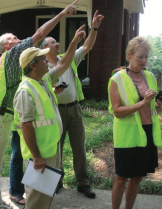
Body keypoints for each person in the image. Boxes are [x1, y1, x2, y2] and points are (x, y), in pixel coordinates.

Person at [0, 1, 79, 209]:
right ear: (7, 45)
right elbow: (40, 33)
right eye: (15, 39)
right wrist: (62, 14)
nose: (20, 40)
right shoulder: (13, 57)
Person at [14, 25, 86, 209]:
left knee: (46, 198)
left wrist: (74, 42)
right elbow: (26, 126)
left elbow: (64, 63)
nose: (47, 60)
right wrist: (37, 157)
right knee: (36, 202)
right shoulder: (25, 91)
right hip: (39, 157)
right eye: (42, 59)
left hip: (51, 151)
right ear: (32, 65)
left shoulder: (44, 80)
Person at [40, 10, 104, 197]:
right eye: (53, 42)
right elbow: (41, 89)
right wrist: (53, 92)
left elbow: (87, 46)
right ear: (45, 48)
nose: (57, 43)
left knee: (79, 148)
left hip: (74, 109)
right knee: (55, 149)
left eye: (57, 42)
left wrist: (94, 28)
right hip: (55, 111)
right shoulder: (43, 66)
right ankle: (56, 181)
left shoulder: (67, 59)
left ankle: (83, 184)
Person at [108, 36, 162, 209]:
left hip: (147, 132)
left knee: (138, 177)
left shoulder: (150, 76)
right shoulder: (116, 79)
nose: (144, 60)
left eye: (146, 57)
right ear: (129, 56)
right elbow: (117, 111)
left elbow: (152, 108)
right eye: (140, 56)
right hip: (128, 135)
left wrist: (158, 104)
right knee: (121, 178)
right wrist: (142, 103)